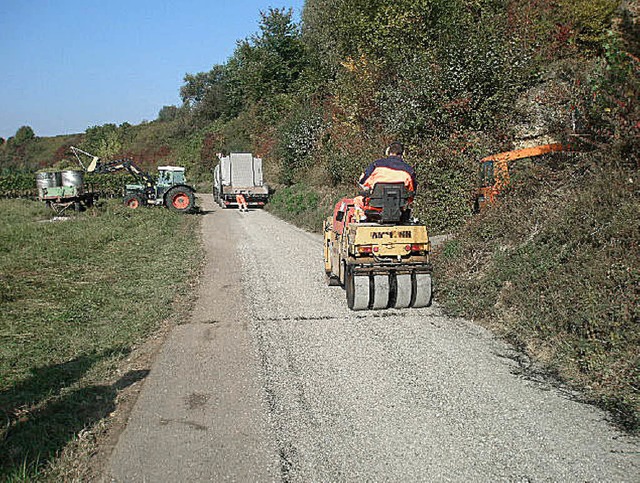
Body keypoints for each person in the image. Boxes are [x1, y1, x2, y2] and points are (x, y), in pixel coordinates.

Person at [353, 142, 416, 221]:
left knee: (357, 200)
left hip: (375, 206)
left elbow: (362, 181)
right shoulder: (409, 171)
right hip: (398, 207)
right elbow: (412, 192)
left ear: (388, 151)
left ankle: (362, 218)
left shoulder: (376, 165)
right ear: (403, 154)